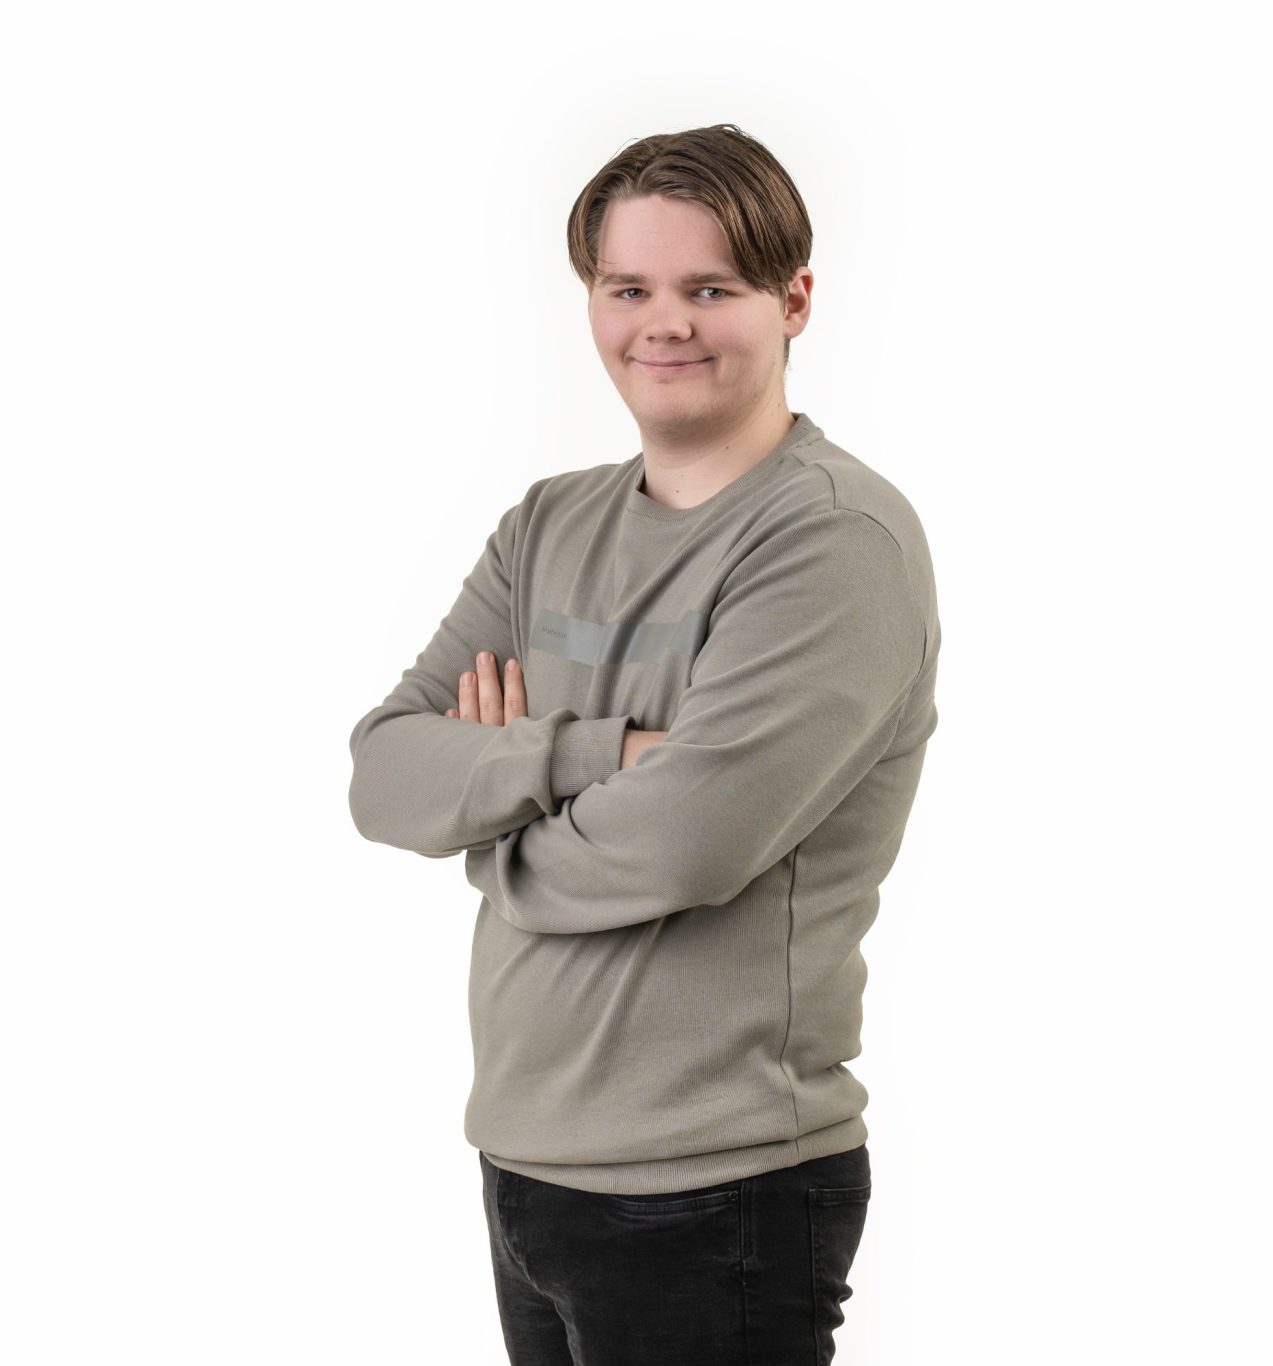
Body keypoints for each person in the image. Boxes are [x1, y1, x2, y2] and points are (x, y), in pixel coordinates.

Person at [348, 122, 942, 1364]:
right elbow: (386, 773)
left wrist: (492, 829)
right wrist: (597, 757)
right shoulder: (546, 525)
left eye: (708, 290)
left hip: (715, 1189)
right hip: (523, 1164)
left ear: (793, 302)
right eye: (628, 289)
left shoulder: (833, 540)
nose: (663, 324)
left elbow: (685, 844)